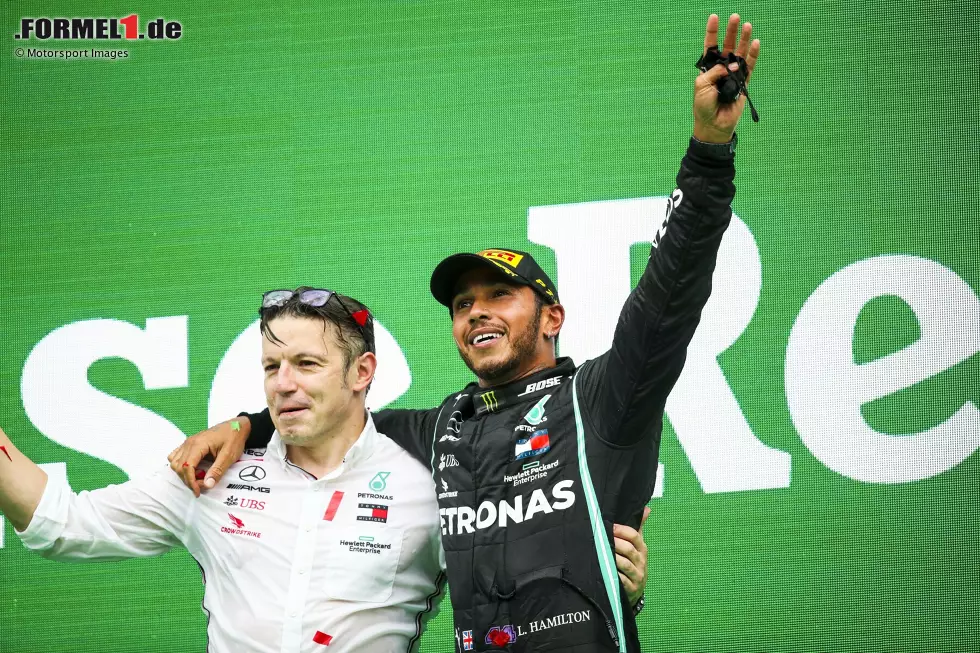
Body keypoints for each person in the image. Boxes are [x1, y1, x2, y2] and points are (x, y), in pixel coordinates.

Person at [170, 13, 758, 652]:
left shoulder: (605, 396)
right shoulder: (441, 427)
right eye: (462, 304)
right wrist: (244, 426)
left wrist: (709, 149)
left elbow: (671, 289)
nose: (476, 312)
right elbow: (329, 415)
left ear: (552, 318)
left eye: (500, 295)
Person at [1, 289, 449, 652]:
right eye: (271, 367)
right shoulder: (215, 473)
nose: (283, 383)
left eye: (307, 364)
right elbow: (63, 525)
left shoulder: (433, 482)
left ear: (361, 372)